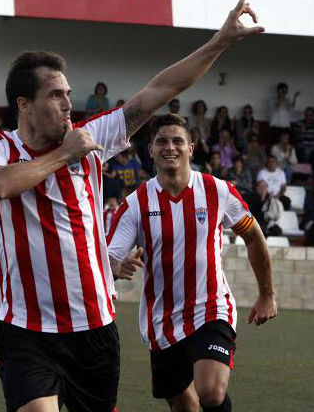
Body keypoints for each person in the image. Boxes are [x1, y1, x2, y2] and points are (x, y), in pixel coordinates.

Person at [0, 0, 264, 412]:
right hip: (25, 328)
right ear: (24, 104)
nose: (69, 104)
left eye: (68, 93)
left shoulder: (93, 137)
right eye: (55, 95)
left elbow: (158, 91)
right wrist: (67, 154)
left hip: (93, 327)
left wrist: (222, 39)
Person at [107, 114, 277, 412]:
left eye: (177, 141)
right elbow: (107, 258)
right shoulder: (136, 204)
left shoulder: (218, 191)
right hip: (161, 320)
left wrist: (267, 294)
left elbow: (254, 237)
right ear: (150, 149)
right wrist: (114, 269)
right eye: (161, 141)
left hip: (211, 308)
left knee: (211, 392)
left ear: (191, 148)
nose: (169, 147)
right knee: (185, 405)